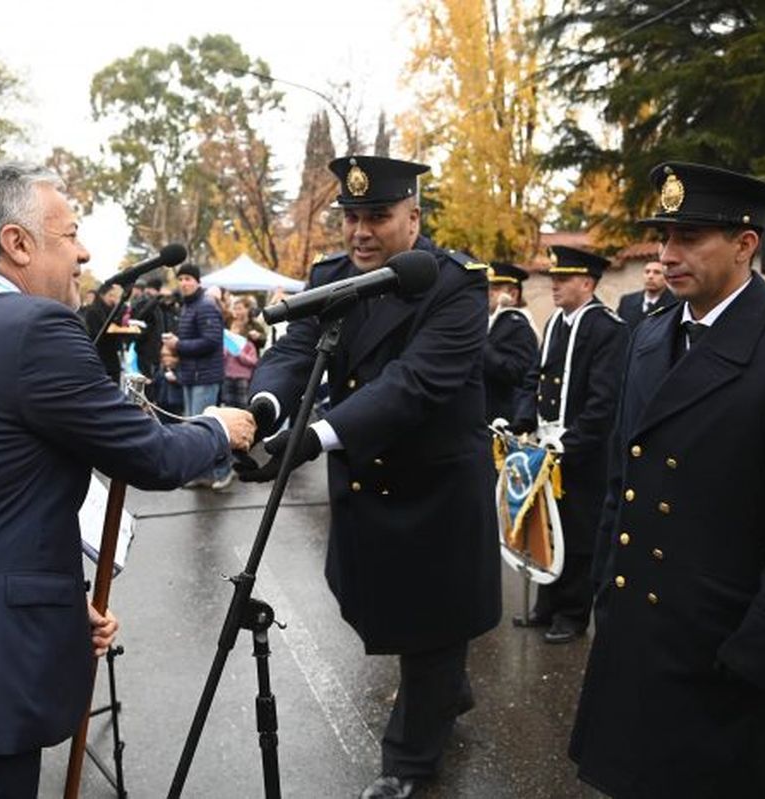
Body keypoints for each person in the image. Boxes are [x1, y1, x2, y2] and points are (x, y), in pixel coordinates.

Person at [0, 162, 254, 799]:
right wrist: (216, 429)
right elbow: (147, 454)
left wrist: (63, 609)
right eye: (70, 235)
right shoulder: (29, 327)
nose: (85, 252)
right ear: (17, 243)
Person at [569, 162, 765, 798]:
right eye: (663, 237)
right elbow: (624, 479)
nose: (667, 254)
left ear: (744, 245)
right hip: (636, 638)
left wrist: (756, 662)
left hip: (721, 656)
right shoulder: (652, 337)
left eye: (690, 238)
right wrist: (604, 593)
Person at [241, 155, 501, 799]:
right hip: (366, 484)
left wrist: (314, 438)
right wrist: (267, 410)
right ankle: (448, 688)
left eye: (377, 216)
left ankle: (408, 765)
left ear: (414, 217)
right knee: (382, 603)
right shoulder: (333, 279)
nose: (359, 231)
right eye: (351, 216)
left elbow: (414, 385)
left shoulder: (455, 284)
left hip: (434, 488)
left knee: (434, 622)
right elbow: (297, 350)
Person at [511, 246, 629, 644]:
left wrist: (570, 445)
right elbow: (535, 377)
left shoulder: (608, 329)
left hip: (582, 453)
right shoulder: (557, 324)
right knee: (546, 527)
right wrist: (521, 420)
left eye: (563, 279)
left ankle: (573, 613)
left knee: (578, 534)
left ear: (587, 283)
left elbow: (603, 402)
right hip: (548, 448)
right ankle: (547, 604)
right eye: (553, 278)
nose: (554, 285)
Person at [162, 263, 231, 490]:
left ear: (198, 282)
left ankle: (224, 470)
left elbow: (211, 342)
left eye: (188, 278)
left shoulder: (205, 306)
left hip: (206, 377)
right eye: (180, 278)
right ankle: (203, 474)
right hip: (191, 375)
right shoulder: (189, 306)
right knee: (195, 430)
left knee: (207, 427)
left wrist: (178, 344)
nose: (183, 283)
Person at [484, 262, 538, 425]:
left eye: (496, 287)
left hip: (504, 417)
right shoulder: (489, 323)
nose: (489, 292)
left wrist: (481, 348)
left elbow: (519, 372)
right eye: (488, 286)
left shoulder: (518, 326)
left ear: (513, 295)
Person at [221, 296, 261, 409]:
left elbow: (253, 360)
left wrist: (240, 354)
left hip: (244, 376)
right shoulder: (229, 325)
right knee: (228, 404)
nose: (237, 311)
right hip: (228, 375)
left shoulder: (249, 338)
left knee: (243, 403)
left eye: (240, 308)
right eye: (235, 308)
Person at [617, 260, 675, 325]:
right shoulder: (627, 301)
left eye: (657, 272)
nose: (650, 276)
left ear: (667, 277)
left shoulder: (675, 303)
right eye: (647, 272)